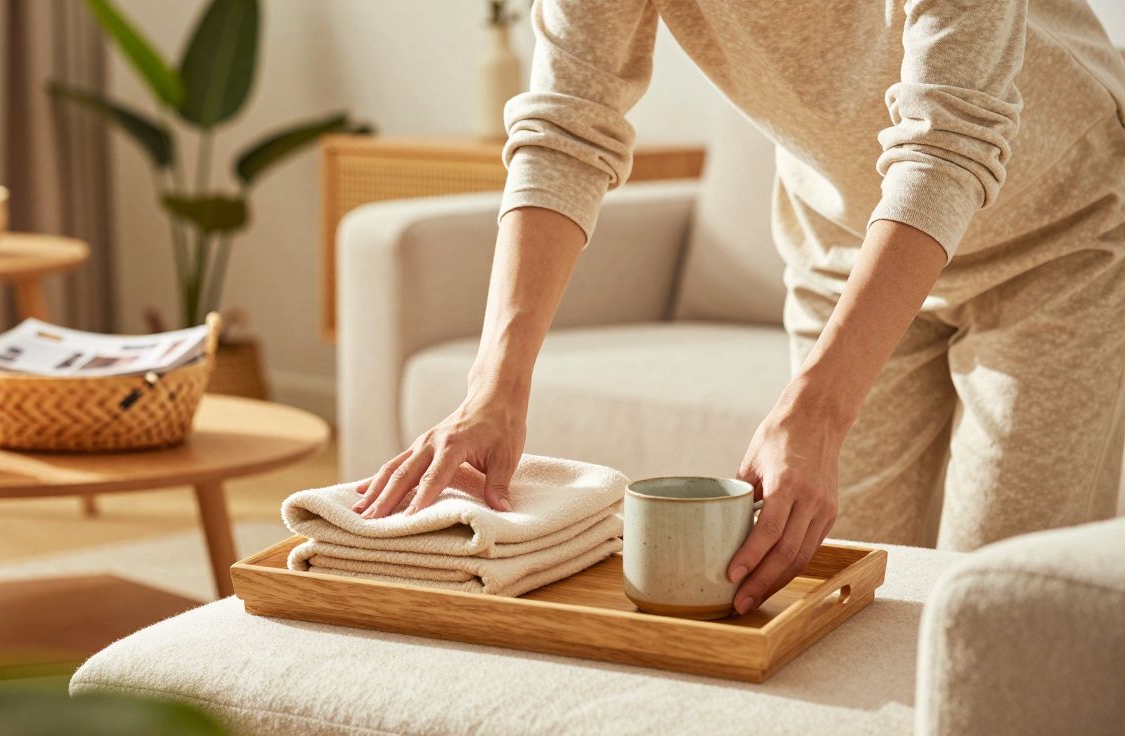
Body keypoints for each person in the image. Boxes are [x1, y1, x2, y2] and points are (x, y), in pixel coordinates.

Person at [354, 0, 1125, 614]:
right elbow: (565, 126)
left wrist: (816, 413)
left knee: (995, 609)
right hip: (843, 253)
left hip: (1061, 236)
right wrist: (494, 388)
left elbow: (949, 139)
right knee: (835, 608)